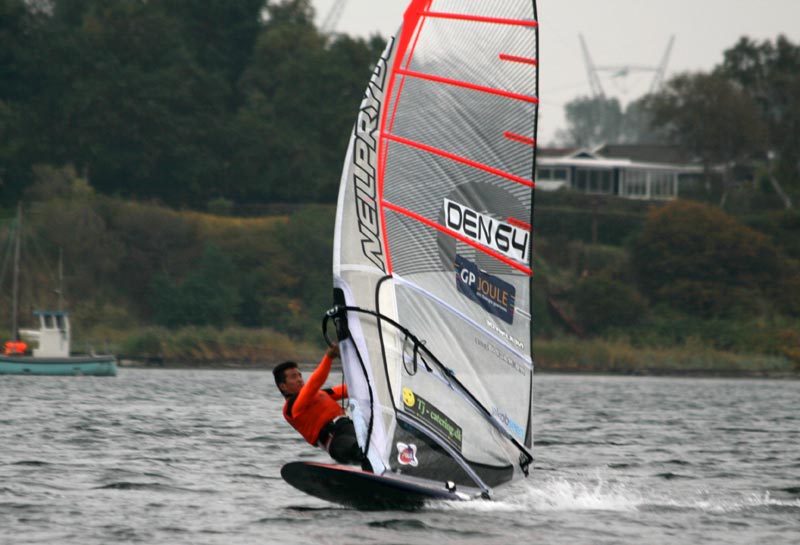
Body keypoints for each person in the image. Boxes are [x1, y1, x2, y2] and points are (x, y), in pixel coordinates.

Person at [273, 344, 367, 468]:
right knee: (360, 451)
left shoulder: (321, 393)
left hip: (349, 427)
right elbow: (314, 384)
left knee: (375, 446)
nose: (300, 379)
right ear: (283, 386)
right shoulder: (292, 408)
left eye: (300, 375)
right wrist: (328, 357)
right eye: (293, 377)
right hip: (335, 441)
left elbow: (352, 389)